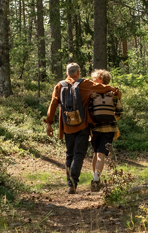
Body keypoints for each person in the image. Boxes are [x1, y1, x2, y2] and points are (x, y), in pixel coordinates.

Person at [45, 63, 121, 194]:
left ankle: (71, 184)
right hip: (83, 125)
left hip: (66, 125)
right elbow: (102, 87)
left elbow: (52, 105)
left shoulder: (59, 85)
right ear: (78, 73)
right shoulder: (84, 84)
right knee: (79, 154)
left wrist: (49, 123)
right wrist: (115, 90)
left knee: (69, 153)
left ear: (67, 73)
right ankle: (73, 182)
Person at [89, 69, 122, 192]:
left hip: (95, 128)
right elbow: (119, 111)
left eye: (94, 79)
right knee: (101, 154)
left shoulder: (92, 95)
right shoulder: (114, 94)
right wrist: (112, 119)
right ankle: (96, 179)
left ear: (101, 80)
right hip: (109, 128)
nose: (93, 81)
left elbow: (89, 110)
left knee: (95, 153)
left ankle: (95, 178)